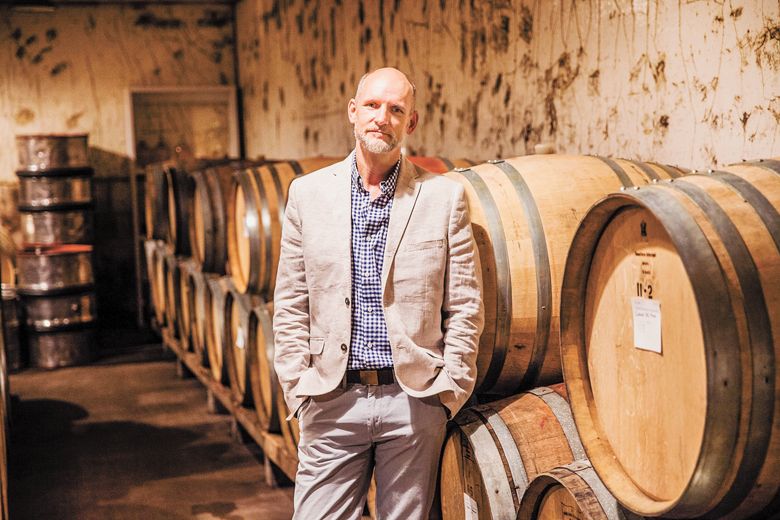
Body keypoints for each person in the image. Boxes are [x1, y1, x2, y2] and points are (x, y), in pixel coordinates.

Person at [273, 67, 484, 519]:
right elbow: (290, 300)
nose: (381, 117)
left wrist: (448, 394)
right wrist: (298, 386)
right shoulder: (307, 194)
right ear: (352, 111)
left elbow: (466, 304)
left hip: (412, 402)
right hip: (330, 398)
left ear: (411, 122)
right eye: (371, 105)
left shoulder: (444, 198)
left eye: (395, 109)